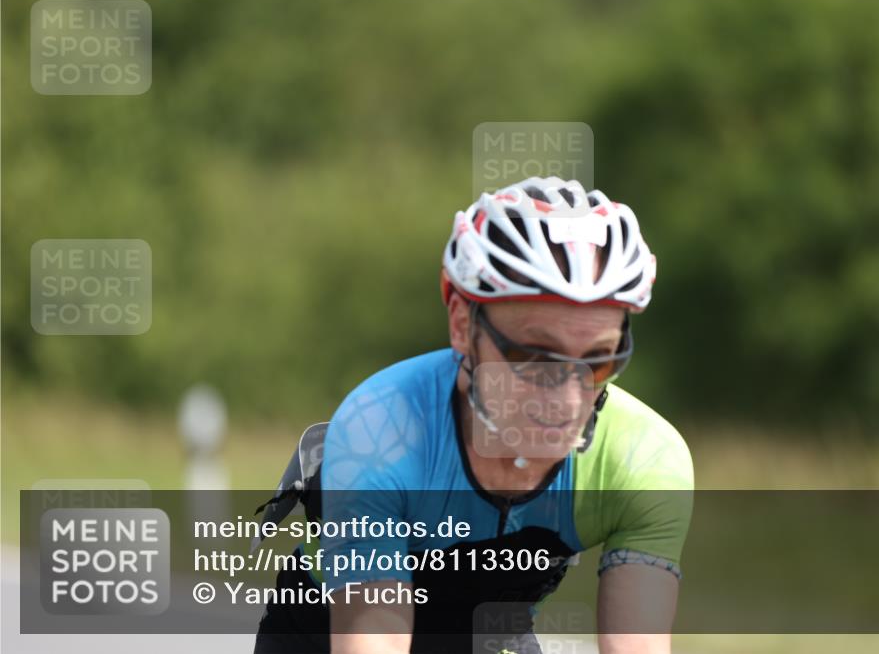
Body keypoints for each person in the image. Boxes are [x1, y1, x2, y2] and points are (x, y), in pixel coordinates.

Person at [255, 176, 694, 654]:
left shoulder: (645, 458)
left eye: (598, 359)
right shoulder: (378, 431)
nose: (569, 400)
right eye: (535, 356)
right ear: (463, 325)